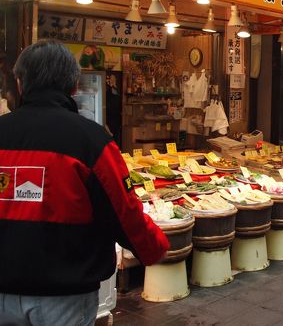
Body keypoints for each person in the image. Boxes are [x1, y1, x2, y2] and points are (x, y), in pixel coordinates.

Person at [0, 40, 169, 326]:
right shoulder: (92, 141)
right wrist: (155, 247)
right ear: (74, 87)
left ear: (20, 84)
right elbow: (124, 209)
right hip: (65, 295)